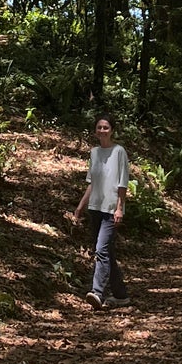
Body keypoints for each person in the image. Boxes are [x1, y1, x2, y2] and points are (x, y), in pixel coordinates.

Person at [72, 113, 129, 306]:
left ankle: (97, 292)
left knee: (101, 250)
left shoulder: (119, 151)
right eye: (99, 127)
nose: (102, 130)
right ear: (95, 130)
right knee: (107, 253)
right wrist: (80, 206)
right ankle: (121, 295)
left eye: (106, 127)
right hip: (95, 208)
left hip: (111, 209)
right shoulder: (94, 152)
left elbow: (123, 183)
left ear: (112, 130)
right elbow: (92, 183)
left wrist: (119, 208)